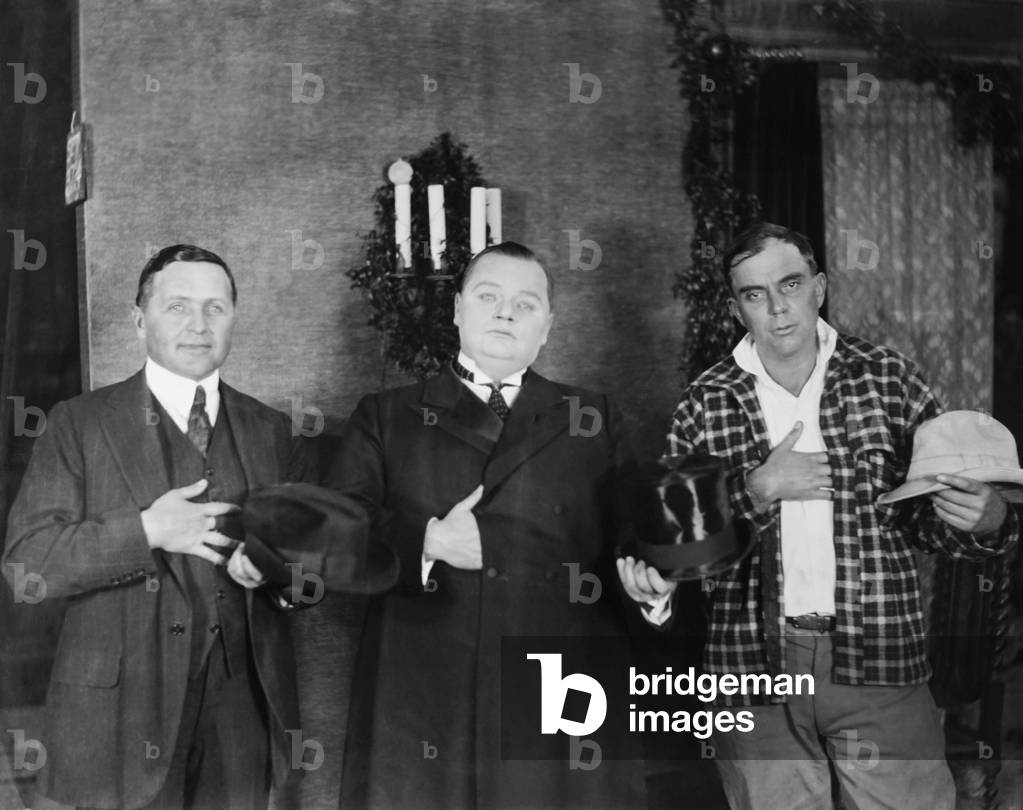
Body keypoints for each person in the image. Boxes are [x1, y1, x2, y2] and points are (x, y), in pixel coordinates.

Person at [617, 222, 1019, 810]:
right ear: (736, 307)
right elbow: (686, 551)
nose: (778, 308)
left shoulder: (889, 379)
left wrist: (986, 520)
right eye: (755, 294)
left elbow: (924, 523)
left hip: (880, 653)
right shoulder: (705, 402)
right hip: (752, 668)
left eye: (791, 284)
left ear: (819, 287)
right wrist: (757, 487)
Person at [330, 241, 644, 809]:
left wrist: (654, 583)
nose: (505, 312)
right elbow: (333, 533)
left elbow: (633, 541)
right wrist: (427, 539)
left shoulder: (594, 417)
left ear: (547, 326)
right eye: (488, 296)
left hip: (559, 696)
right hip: (423, 695)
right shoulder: (385, 415)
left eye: (525, 304)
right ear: (456, 308)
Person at [4, 245, 316, 810]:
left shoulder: (273, 429)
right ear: (139, 318)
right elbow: (27, 565)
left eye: (215, 308)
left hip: (240, 714)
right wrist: (146, 529)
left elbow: (308, 566)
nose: (199, 325)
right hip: (117, 718)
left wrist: (279, 574)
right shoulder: (78, 423)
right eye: (178, 307)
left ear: (233, 318)